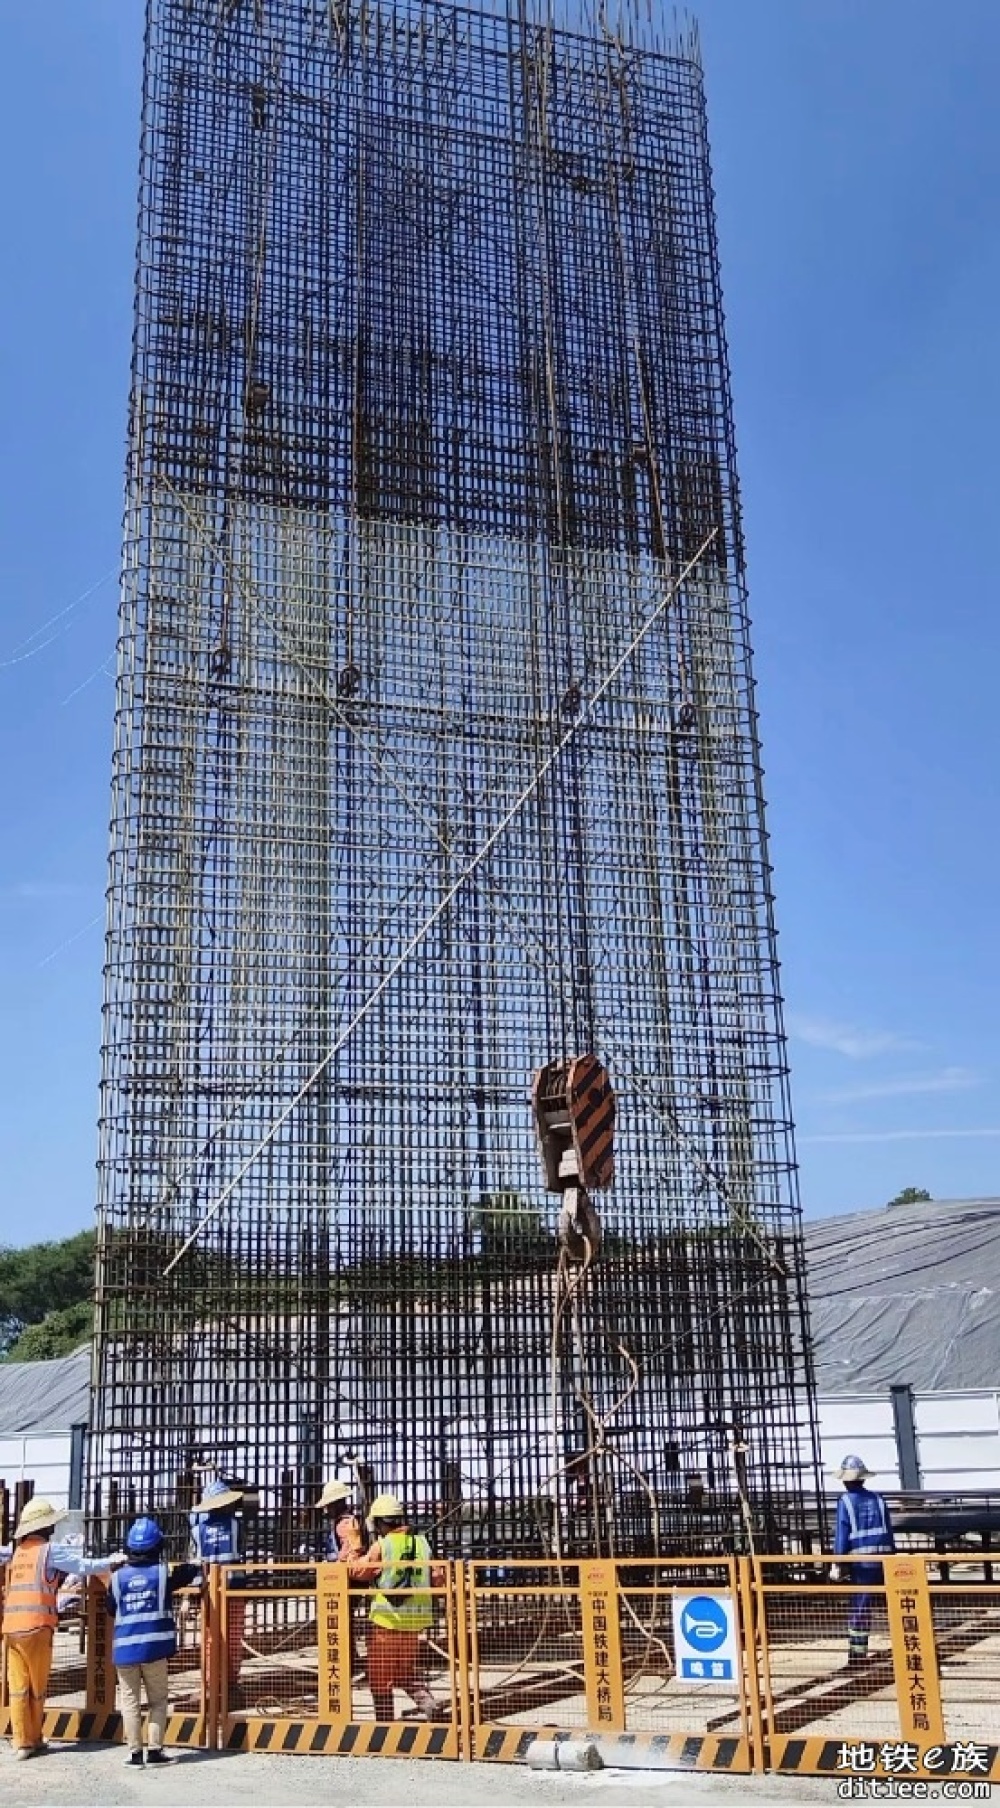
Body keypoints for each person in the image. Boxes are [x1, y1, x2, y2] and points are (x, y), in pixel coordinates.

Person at [1, 1498, 124, 1760]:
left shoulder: (18, 1552)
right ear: (44, 1527)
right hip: (37, 1627)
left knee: (18, 1687)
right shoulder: (48, 1551)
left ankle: (22, 1743)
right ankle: (34, 1738)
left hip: (11, 1630)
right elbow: (82, 1566)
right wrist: (111, 1562)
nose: (54, 1529)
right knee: (37, 1687)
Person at [105, 1516, 200, 1767]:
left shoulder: (116, 1578)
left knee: (130, 1702)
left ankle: (135, 1754)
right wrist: (198, 1563)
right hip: (155, 1650)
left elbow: (110, 1609)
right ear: (158, 1546)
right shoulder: (162, 1574)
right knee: (158, 1700)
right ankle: (155, 1751)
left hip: (125, 1651)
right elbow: (188, 1573)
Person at [349, 1493, 442, 1723]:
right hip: (415, 1621)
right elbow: (438, 1577)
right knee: (405, 1671)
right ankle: (428, 1704)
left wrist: (353, 1547)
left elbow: (358, 1571)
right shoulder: (422, 1543)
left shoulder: (383, 1545)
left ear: (380, 1522)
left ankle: (385, 1724)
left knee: (380, 1676)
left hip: (386, 1621)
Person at [830, 1453, 895, 1667]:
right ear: (863, 1478)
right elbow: (889, 1530)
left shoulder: (846, 1501)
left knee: (861, 1605)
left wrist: (837, 1563)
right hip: (886, 1558)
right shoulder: (878, 1499)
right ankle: (906, 1645)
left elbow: (842, 1533)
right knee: (895, 1604)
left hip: (863, 1561)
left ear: (847, 1480)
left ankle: (858, 1655)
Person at [189, 1476, 246, 1695]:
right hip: (234, 1586)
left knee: (211, 1639)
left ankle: (210, 1685)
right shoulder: (234, 1524)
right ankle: (231, 1684)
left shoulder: (197, 1529)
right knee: (233, 1637)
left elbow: (195, 1560)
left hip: (209, 1590)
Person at [315, 1479, 365, 1564]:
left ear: (337, 1504)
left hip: (342, 1572)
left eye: (329, 1506)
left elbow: (349, 1552)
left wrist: (337, 1565)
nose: (327, 1510)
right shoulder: (345, 1521)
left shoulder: (344, 1524)